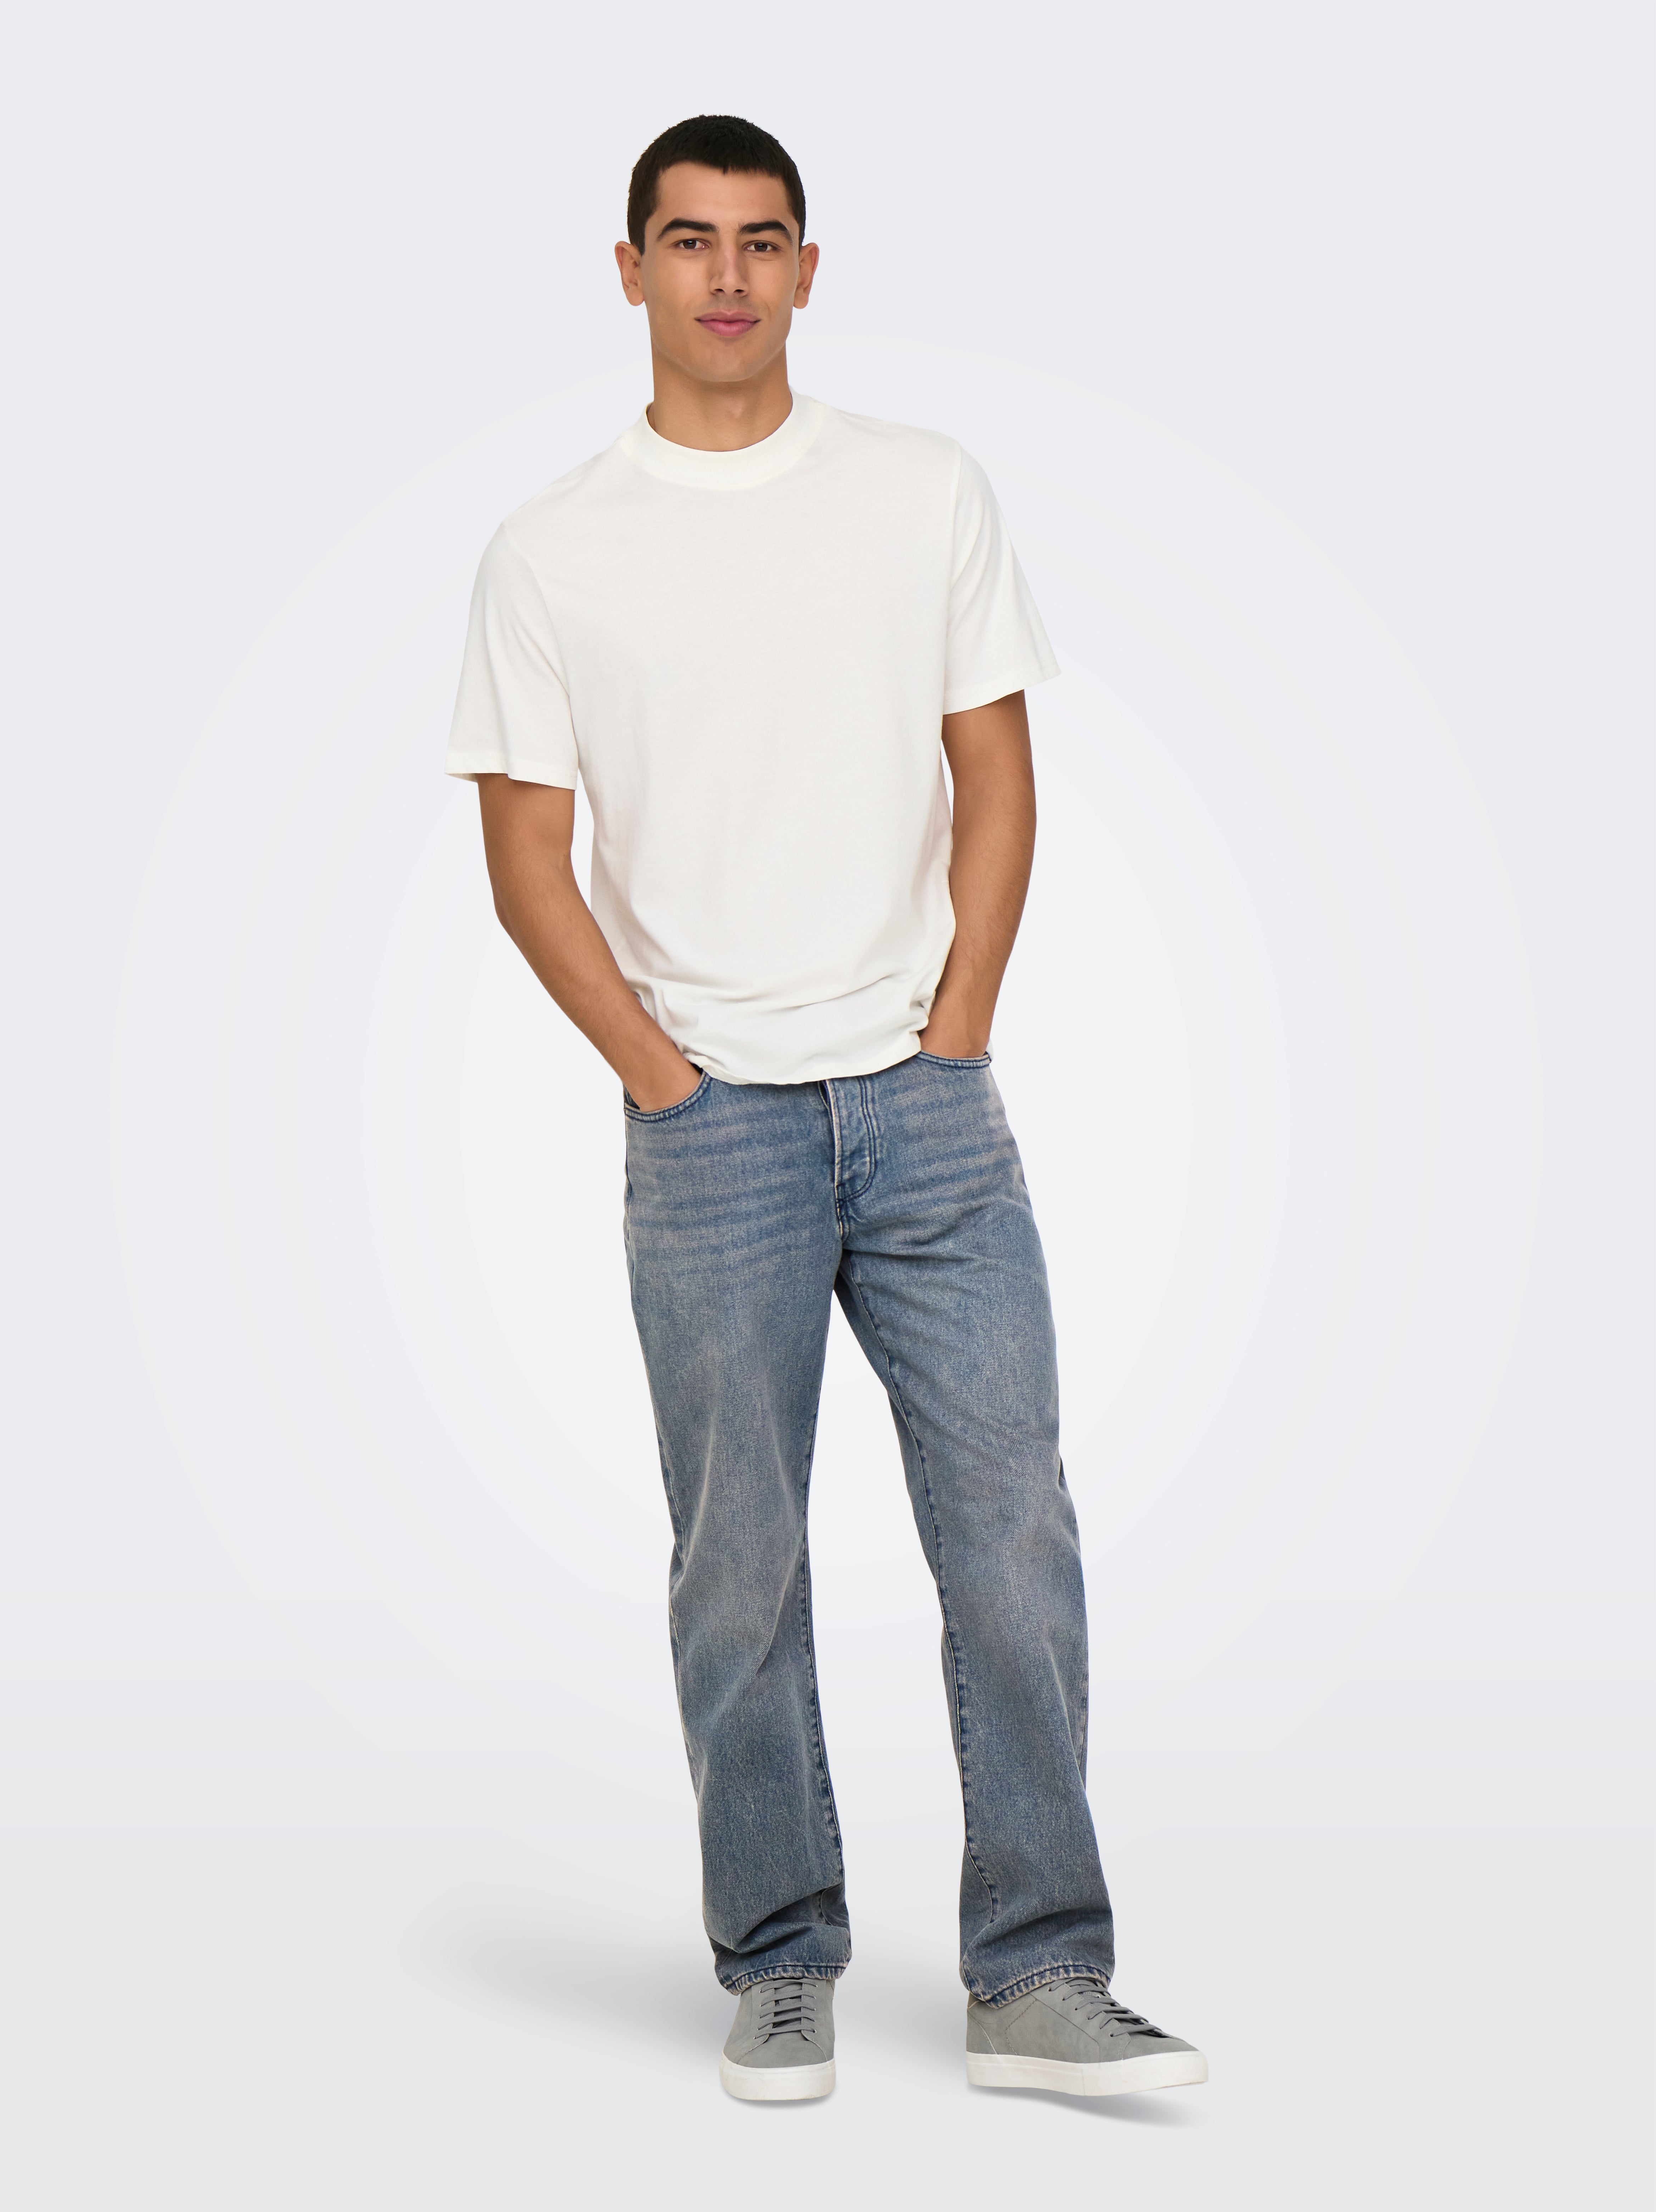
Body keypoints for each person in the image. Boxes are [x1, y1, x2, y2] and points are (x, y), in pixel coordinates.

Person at [446, 112, 1205, 2106]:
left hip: (927, 1105)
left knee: (1012, 1528)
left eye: (762, 239)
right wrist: (663, 1074)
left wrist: (958, 1026)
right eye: (690, 240)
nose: (727, 275)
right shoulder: (550, 549)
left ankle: (1038, 1974)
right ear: (629, 270)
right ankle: (779, 1958)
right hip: (711, 1129)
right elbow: (527, 857)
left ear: (806, 267)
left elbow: (997, 771)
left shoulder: (920, 488)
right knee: (741, 1563)